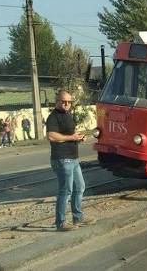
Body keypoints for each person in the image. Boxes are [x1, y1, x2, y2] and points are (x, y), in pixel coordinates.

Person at [47, 90, 95, 231]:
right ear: (57, 101)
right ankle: (60, 223)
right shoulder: (53, 117)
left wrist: (78, 137)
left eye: (69, 102)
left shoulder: (68, 115)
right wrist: (71, 138)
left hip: (73, 158)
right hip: (62, 159)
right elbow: (51, 136)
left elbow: (68, 134)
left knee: (80, 187)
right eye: (63, 101)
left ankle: (77, 217)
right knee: (66, 191)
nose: (67, 104)